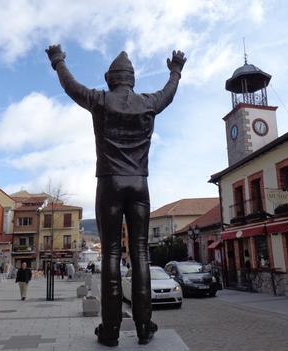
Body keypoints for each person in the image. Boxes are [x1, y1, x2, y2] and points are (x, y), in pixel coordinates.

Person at [46, 45, 185, 346]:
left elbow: (71, 87)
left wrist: (58, 61)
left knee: (110, 253)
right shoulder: (148, 102)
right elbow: (168, 92)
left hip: (109, 181)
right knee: (141, 254)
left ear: (110, 78)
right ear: (132, 80)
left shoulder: (100, 99)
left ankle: (110, 330)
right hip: (139, 183)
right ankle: (144, 326)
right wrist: (175, 69)